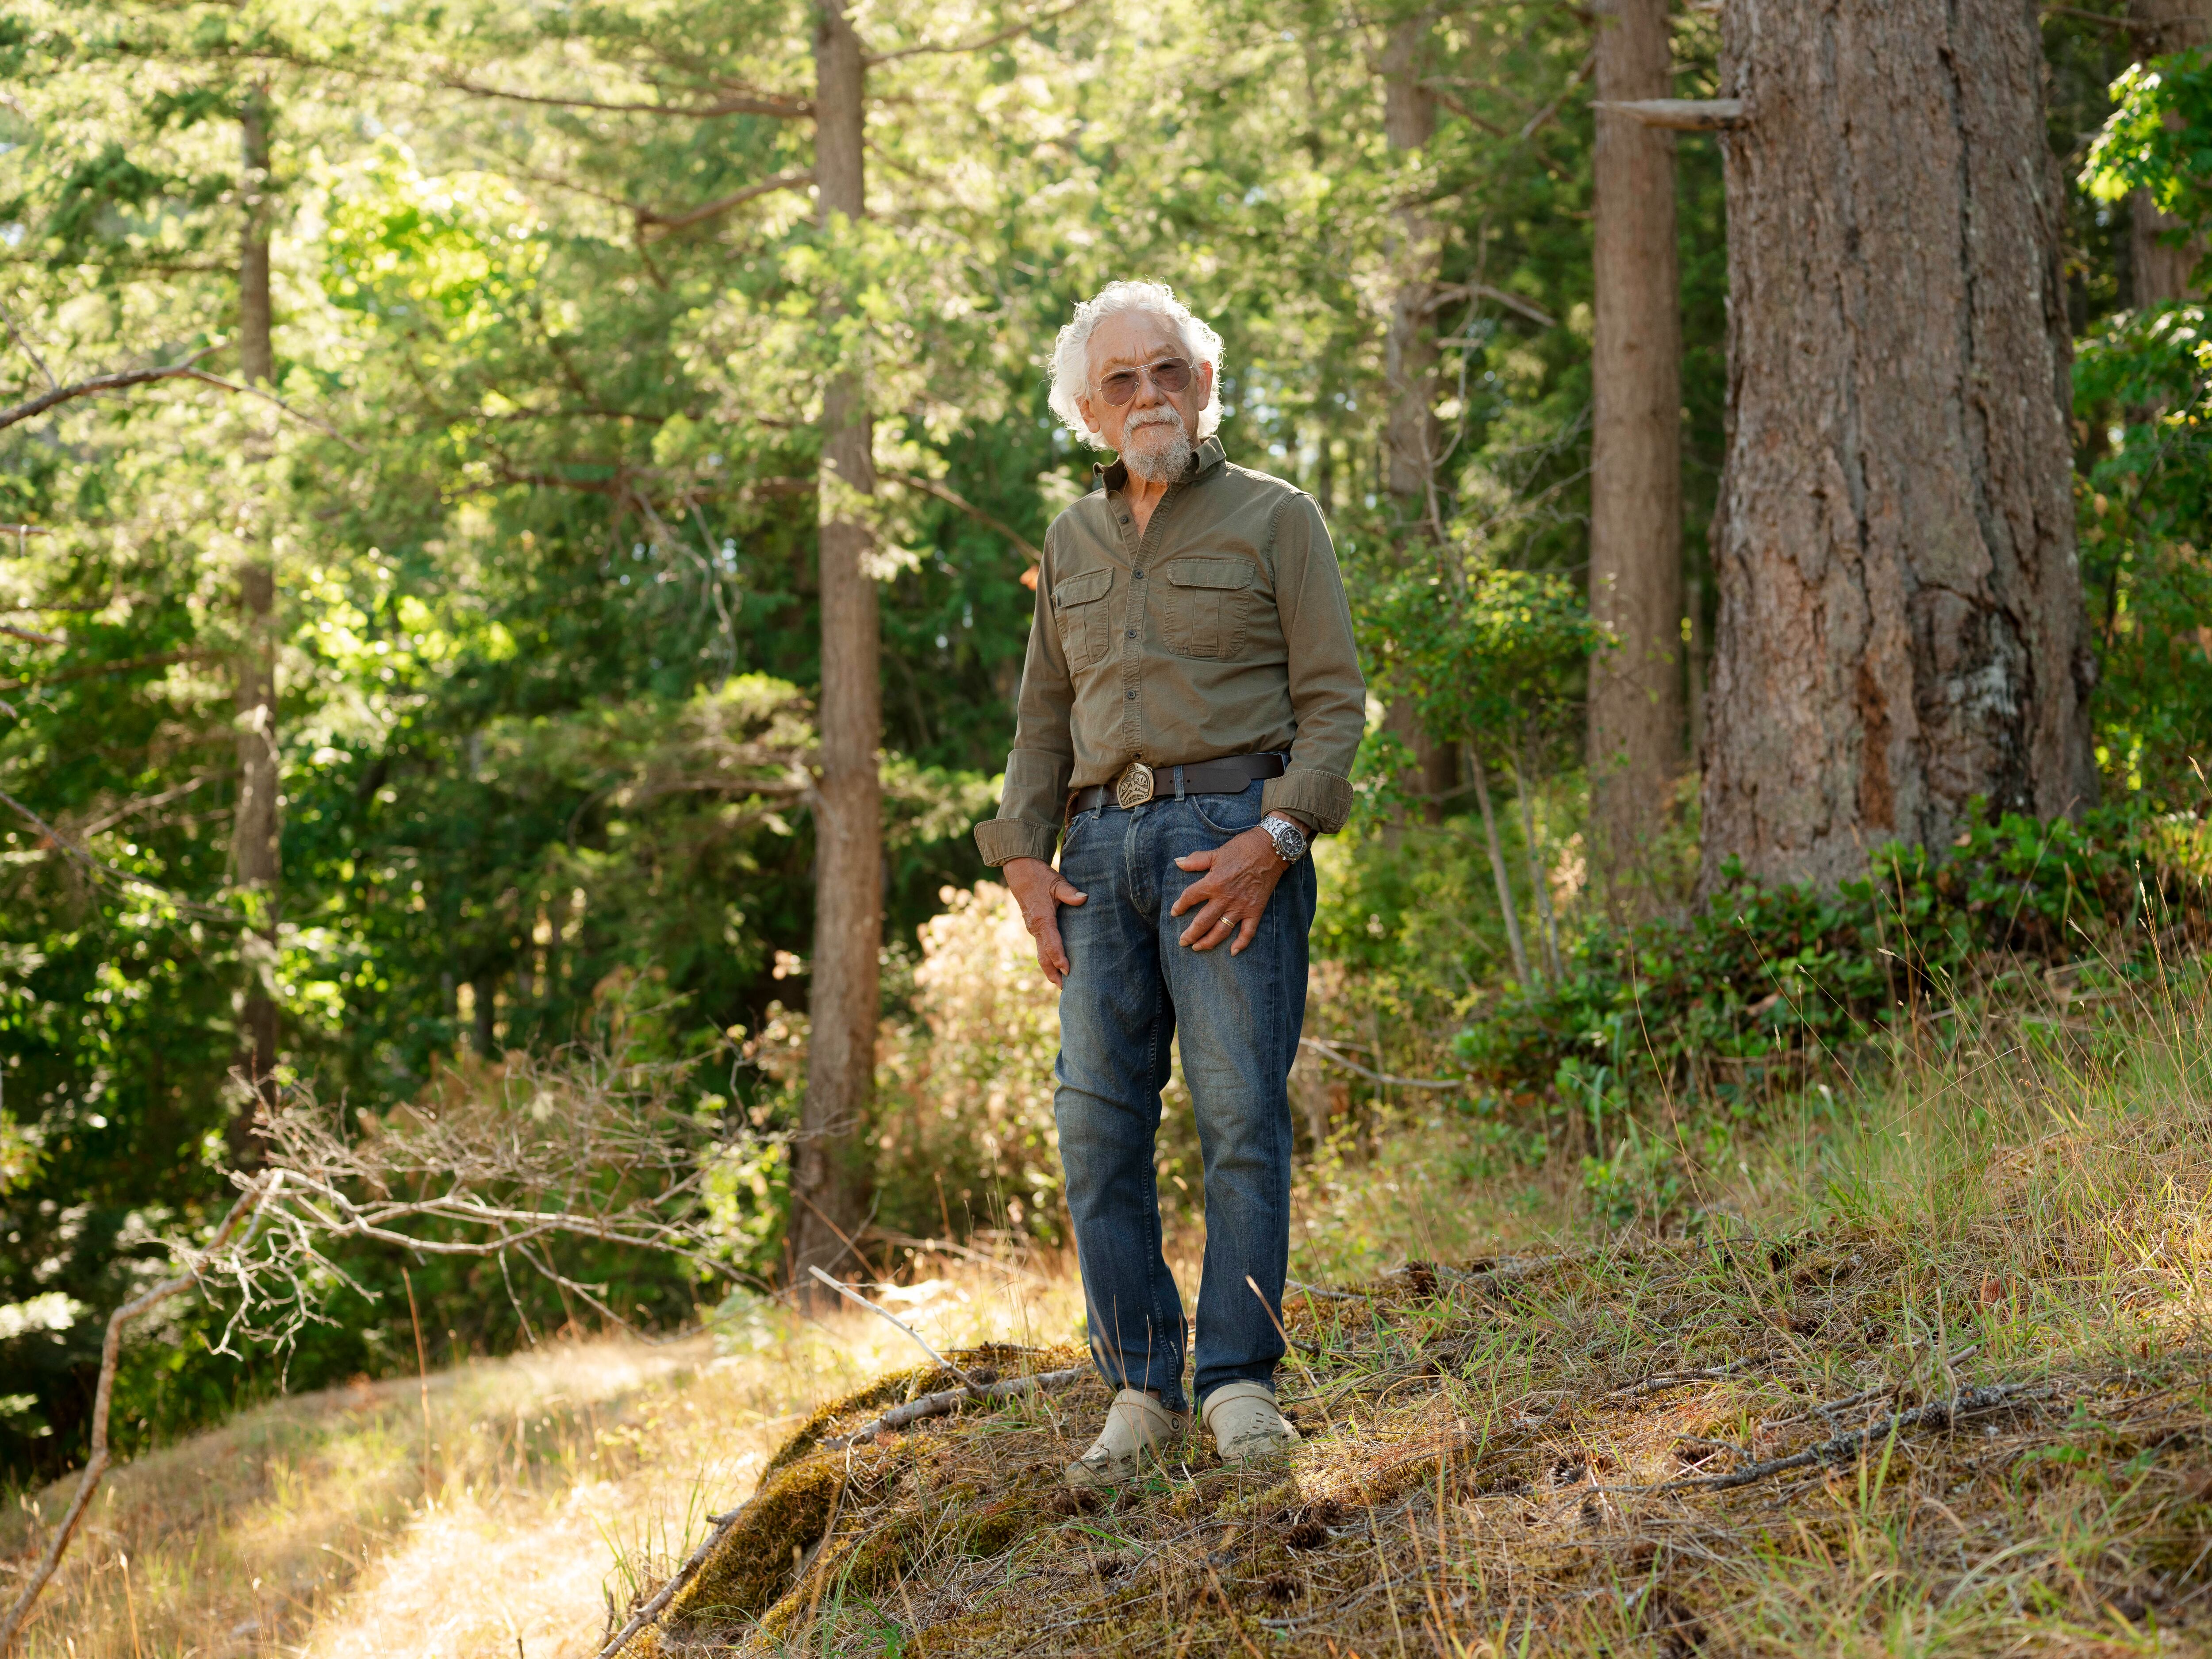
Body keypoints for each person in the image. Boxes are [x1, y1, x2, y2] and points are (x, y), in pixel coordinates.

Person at [974, 280, 1366, 1488]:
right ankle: (1140, 1390)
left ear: (1204, 387)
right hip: (1097, 856)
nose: (1147, 393)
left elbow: (1334, 705)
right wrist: (1025, 859)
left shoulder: (1276, 516)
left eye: (1167, 371)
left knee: (1241, 1117)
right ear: (1090, 414)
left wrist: (1279, 837)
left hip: (1227, 845)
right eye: (1120, 379)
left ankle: (1240, 1381)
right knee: (1096, 1126)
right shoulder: (1069, 542)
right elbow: (1044, 718)